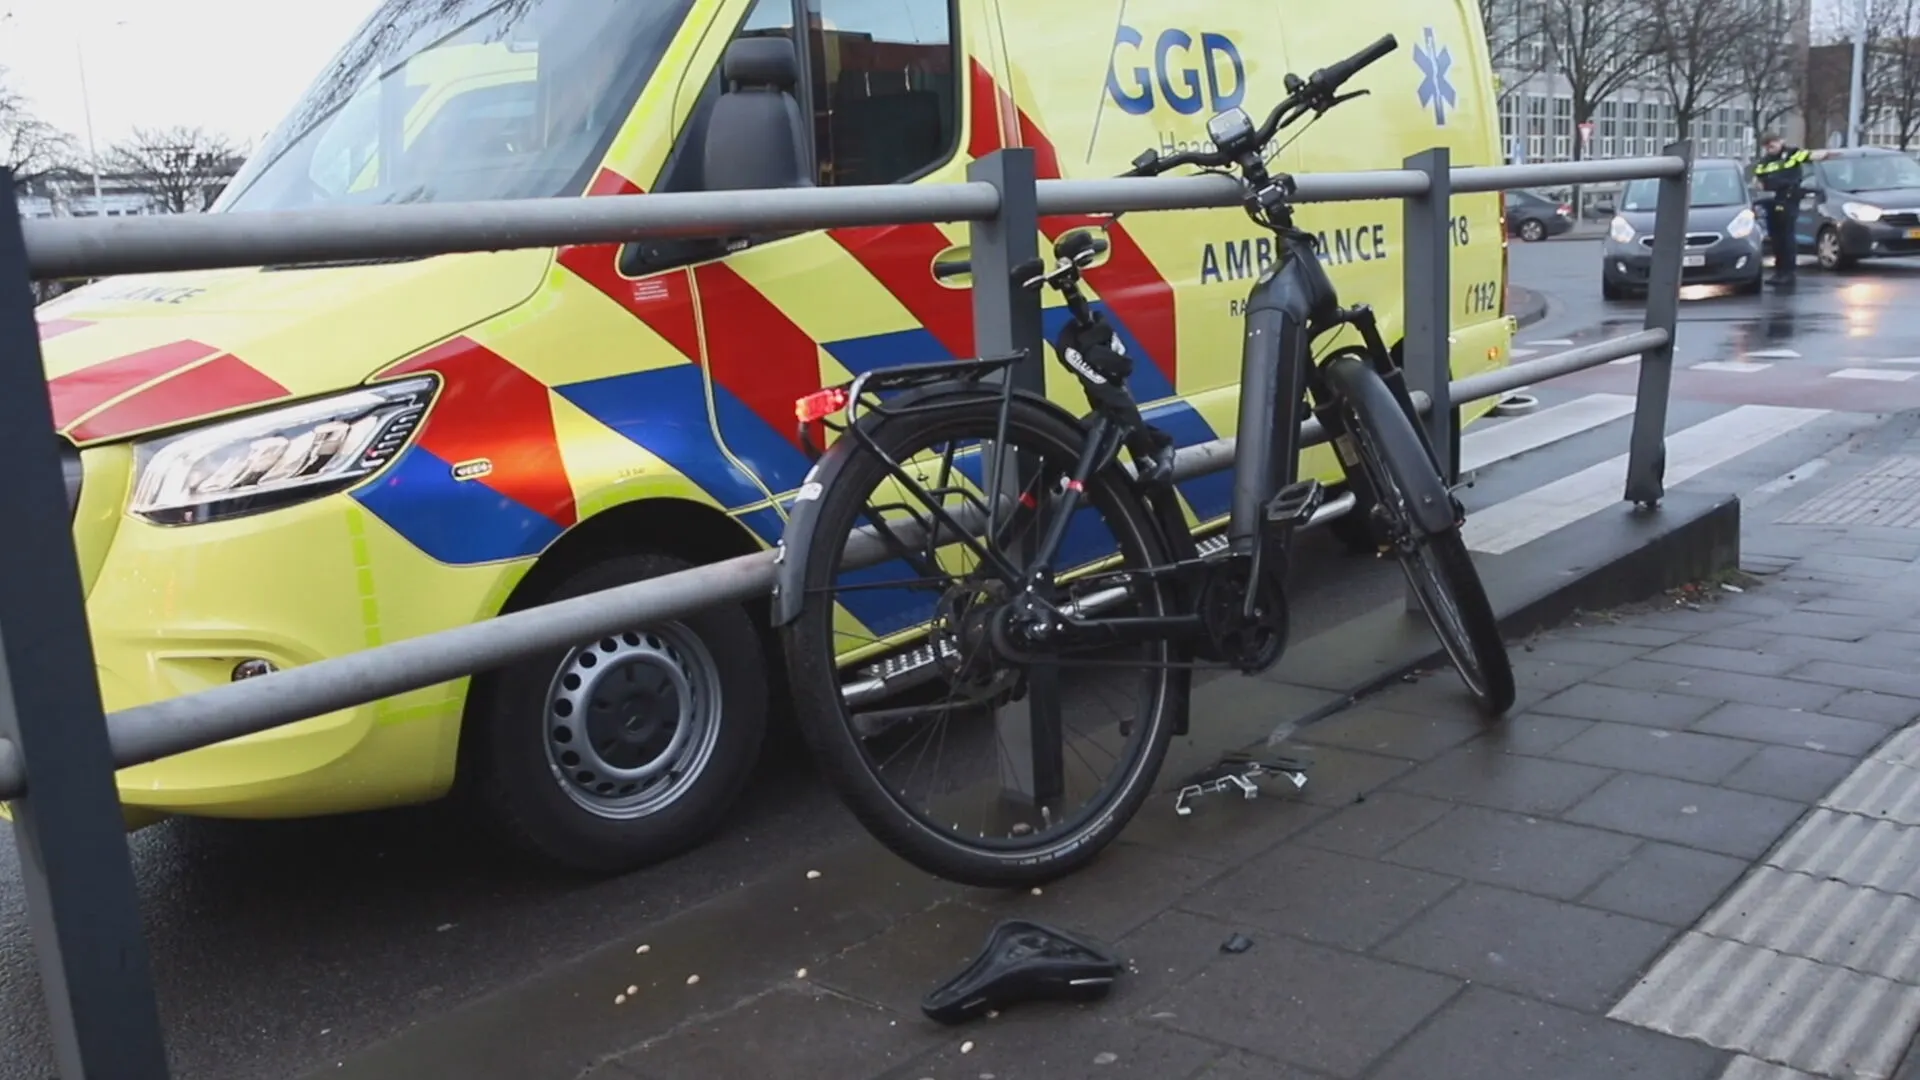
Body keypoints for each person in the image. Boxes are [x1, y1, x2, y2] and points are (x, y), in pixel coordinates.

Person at [1753, 133, 1815, 286]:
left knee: (1786, 236)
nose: (1770, 148)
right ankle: (1779, 271)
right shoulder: (1765, 161)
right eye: (1767, 146)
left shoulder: (1792, 154)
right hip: (1771, 201)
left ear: (1780, 142)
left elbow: (1808, 158)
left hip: (1788, 199)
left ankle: (1788, 272)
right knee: (1776, 238)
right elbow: (1758, 178)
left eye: (1772, 145)